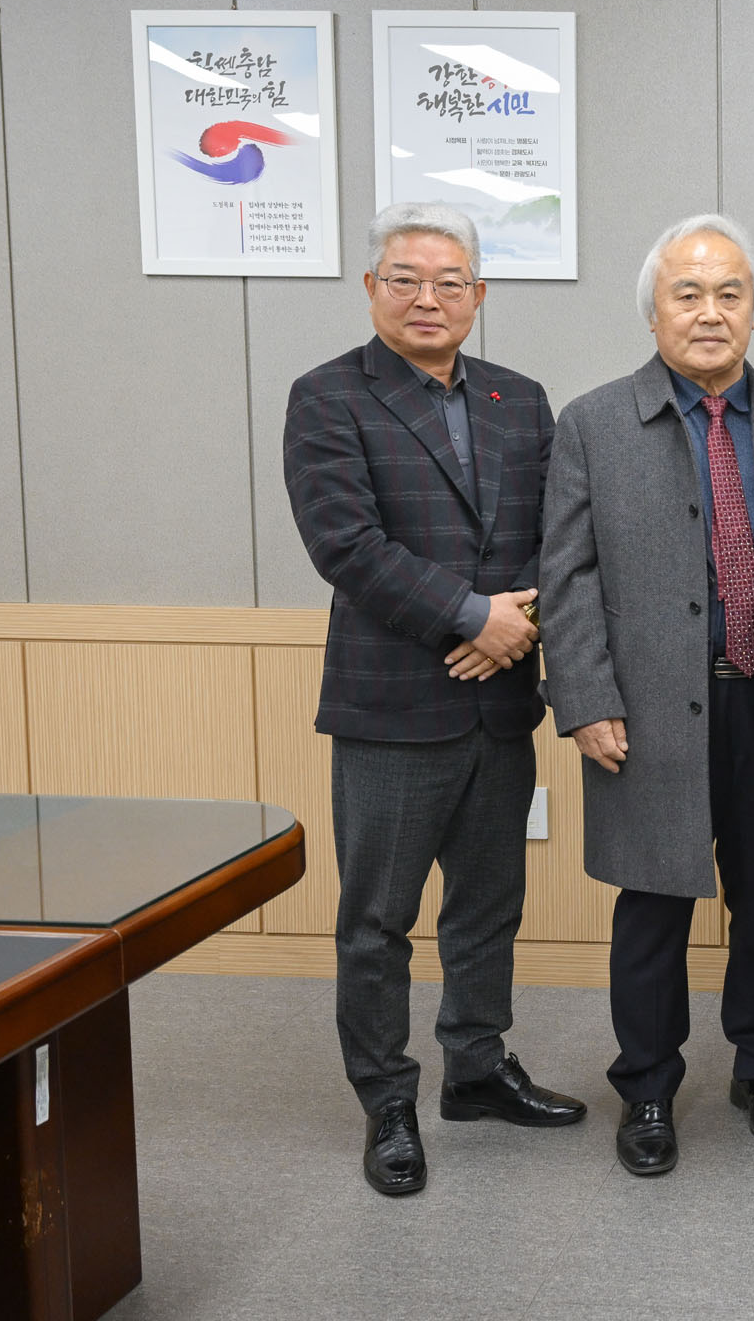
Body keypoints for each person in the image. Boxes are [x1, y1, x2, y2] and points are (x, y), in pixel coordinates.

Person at [283, 201, 584, 1198]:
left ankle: (477, 1067)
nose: (428, 297)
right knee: (378, 920)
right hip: (392, 710)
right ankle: (387, 1101)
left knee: (488, 907)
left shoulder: (519, 399)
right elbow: (346, 544)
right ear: (372, 288)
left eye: (449, 282)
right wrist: (470, 617)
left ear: (478, 295)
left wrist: (516, 627)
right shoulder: (328, 396)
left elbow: (557, 534)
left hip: (500, 700)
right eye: (405, 279)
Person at [540, 214, 754, 1178]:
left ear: (753, 309)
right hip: (649, 704)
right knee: (652, 902)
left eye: (729, 293)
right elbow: (567, 575)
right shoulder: (592, 424)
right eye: (687, 294)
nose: (710, 313)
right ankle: (648, 1086)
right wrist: (584, 698)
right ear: (653, 312)